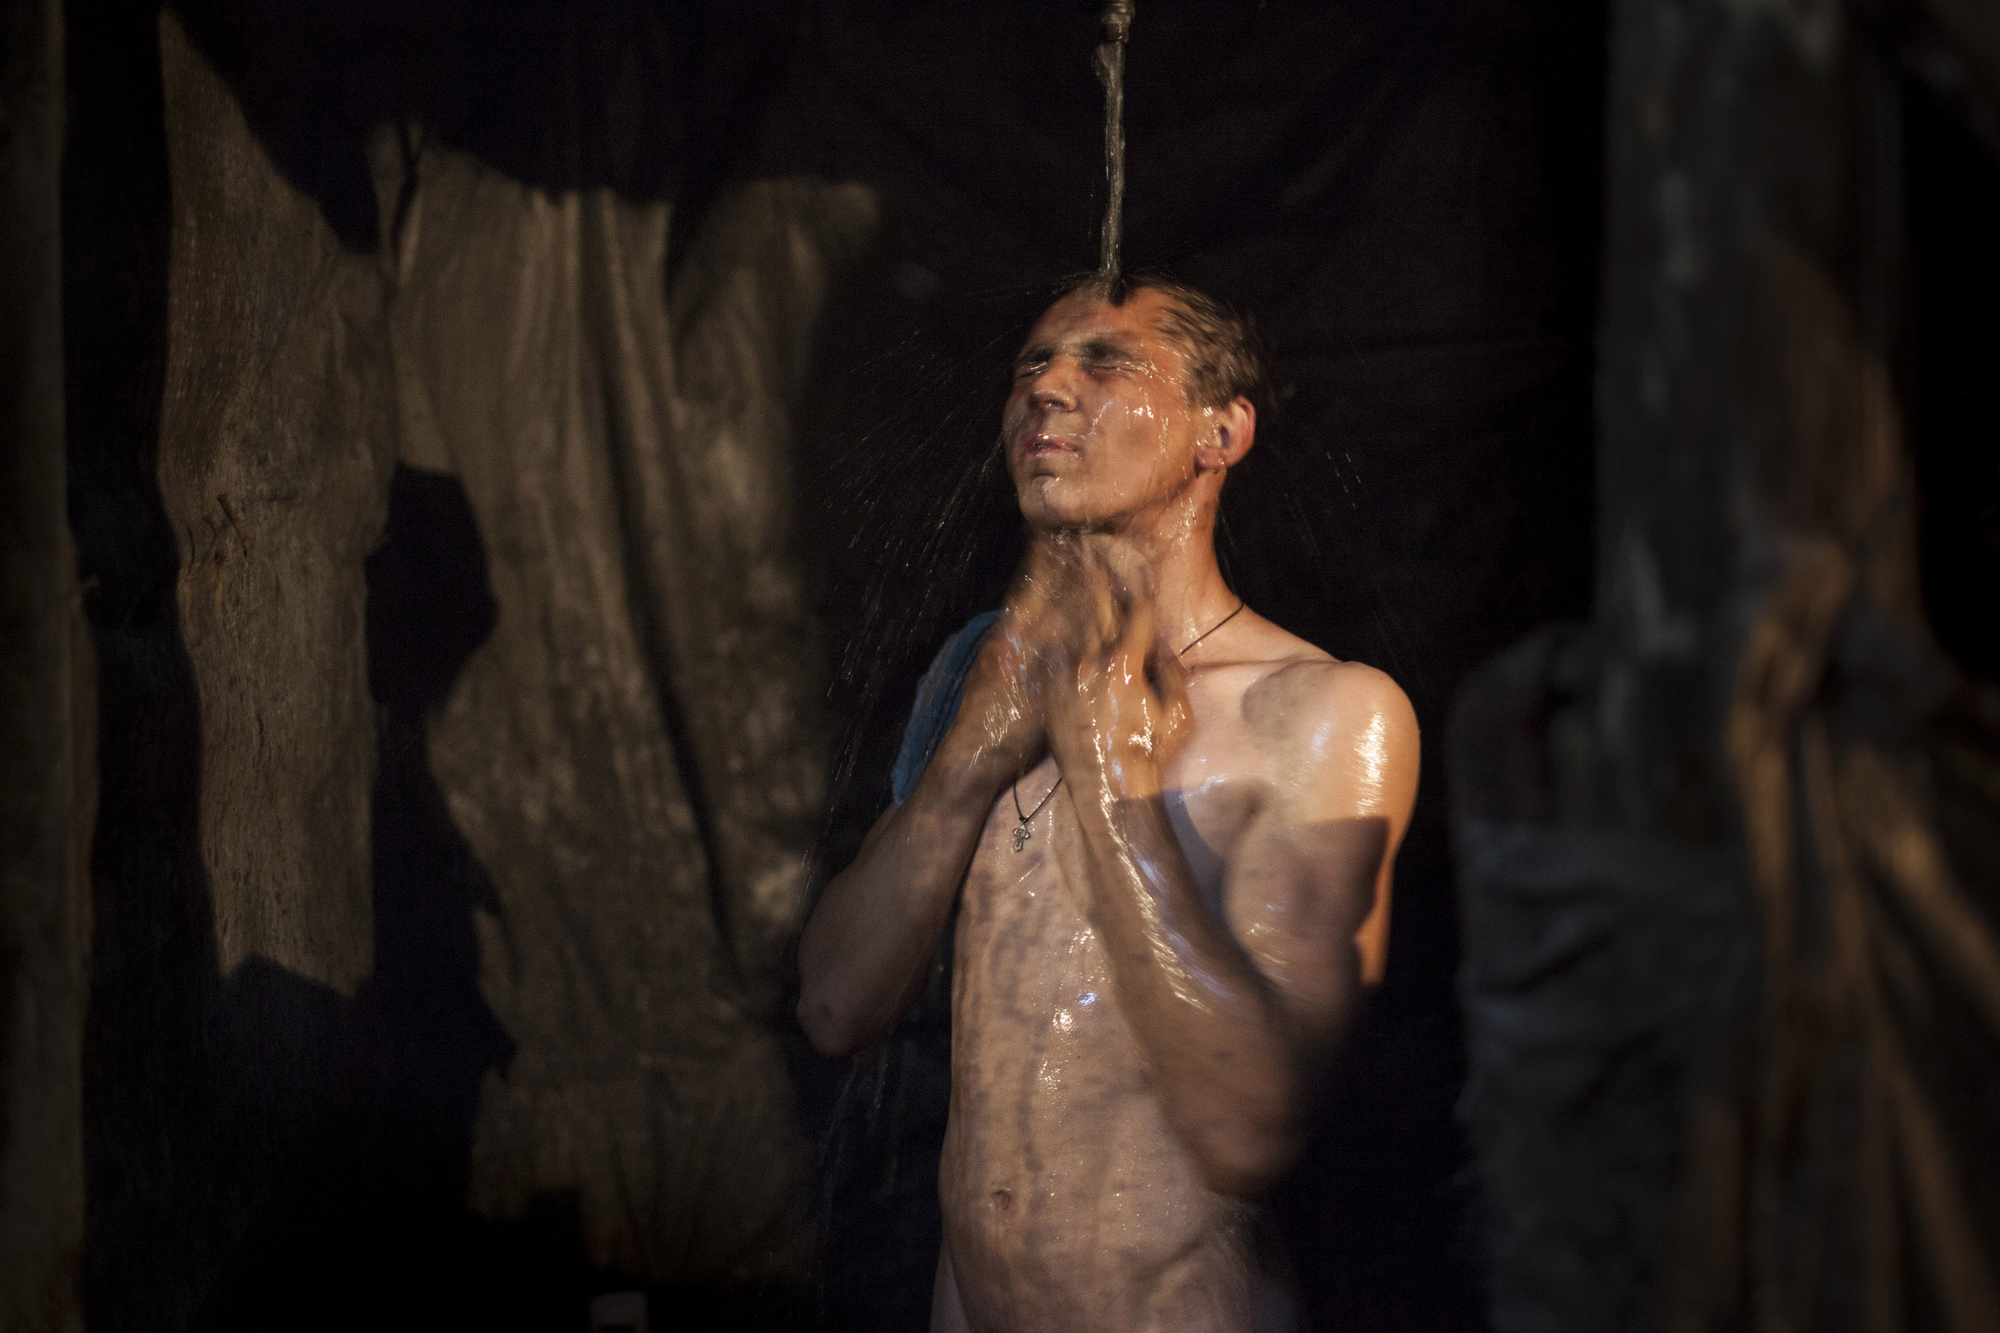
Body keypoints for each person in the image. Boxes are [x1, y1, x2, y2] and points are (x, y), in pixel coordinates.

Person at [797, 273, 1419, 1332]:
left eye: (1105, 360)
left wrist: (1116, 784)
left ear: (1221, 432)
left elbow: (1250, 1129)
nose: (1045, 387)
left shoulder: (1322, 711)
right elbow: (832, 1007)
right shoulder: (975, 675)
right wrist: (966, 760)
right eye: (1031, 363)